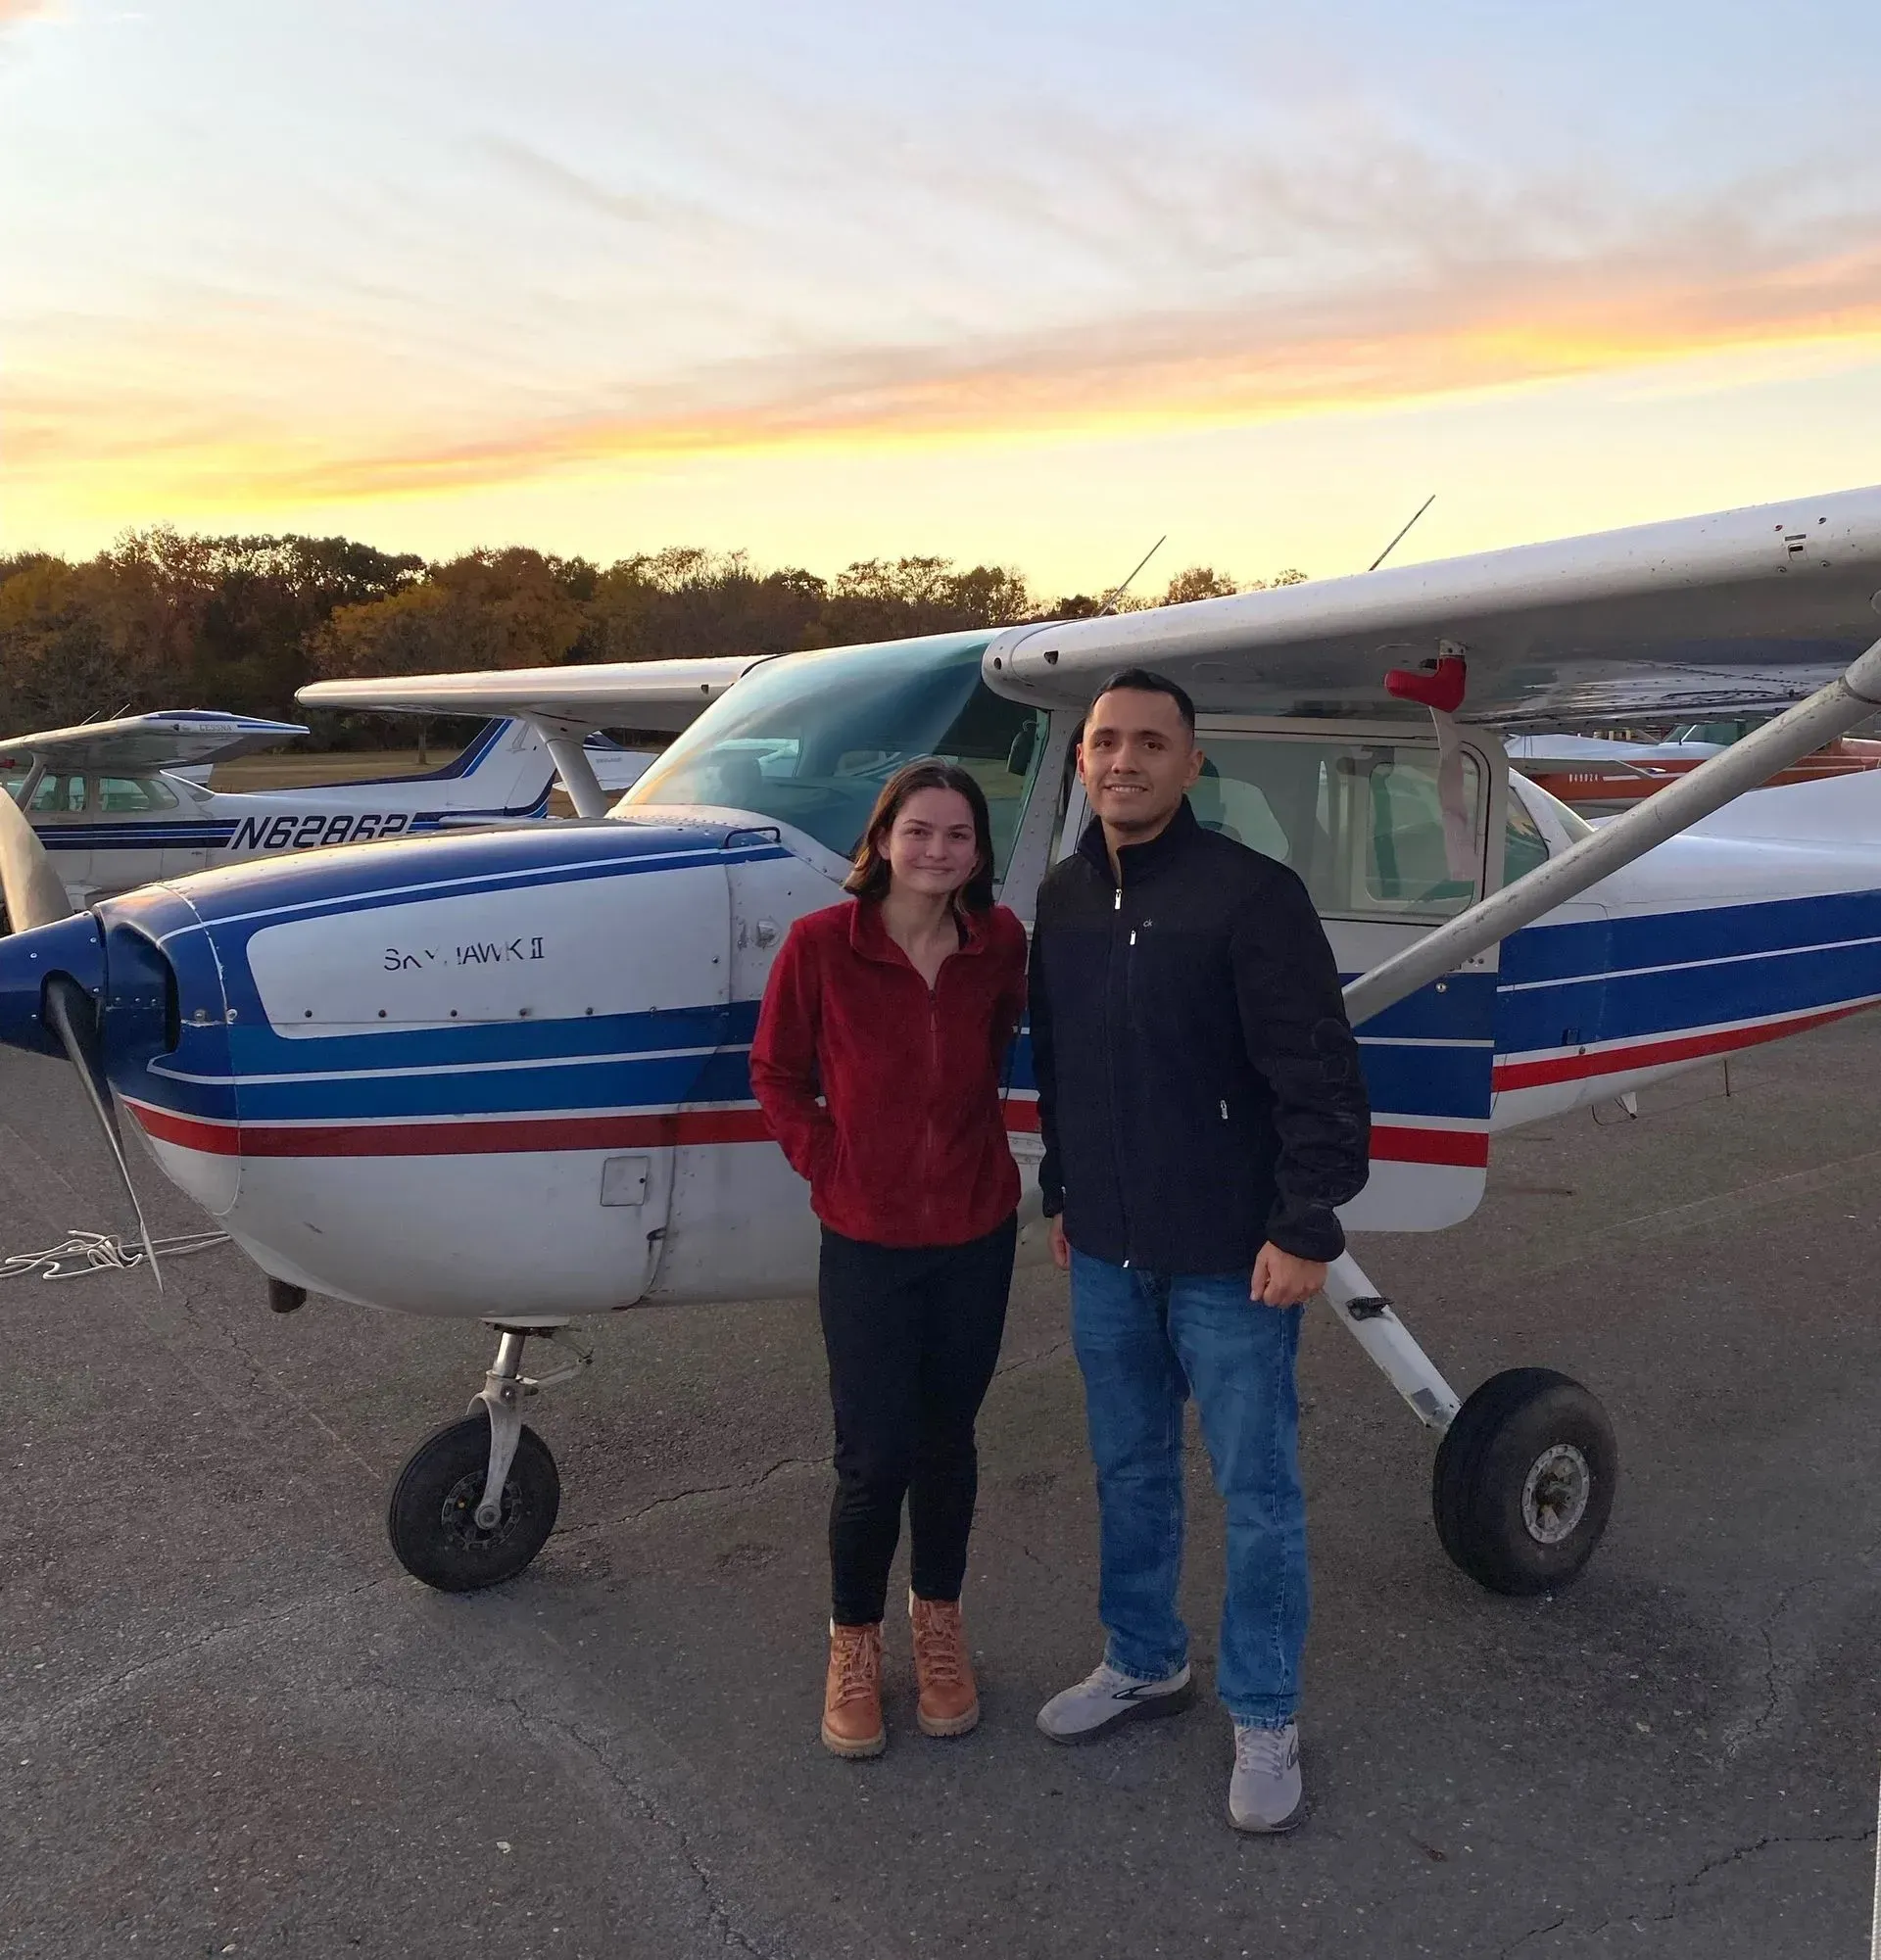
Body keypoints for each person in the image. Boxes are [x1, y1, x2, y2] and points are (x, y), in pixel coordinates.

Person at [1027, 668, 1372, 1833]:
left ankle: (1265, 1712)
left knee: (1257, 1494)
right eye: (1103, 743)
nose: (1122, 761)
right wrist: (1065, 1193)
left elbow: (1319, 1076)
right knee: (1129, 1471)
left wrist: (1303, 1223)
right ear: (1081, 761)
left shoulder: (1251, 896)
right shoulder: (1065, 898)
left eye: (1148, 744)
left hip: (1234, 1258)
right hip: (1112, 1252)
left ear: (1190, 762)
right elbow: (1067, 1068)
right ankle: (1143, 1658)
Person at [750, 758, 1029, 1759]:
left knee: (948, 1441)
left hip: (975, 1231)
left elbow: (999, 1049)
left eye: (958, 836)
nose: (938, 850)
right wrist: (828, 1158)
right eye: (919, 832)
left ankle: (939, 1625)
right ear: (881, 840)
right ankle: (854, 1643)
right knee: (872, 1458)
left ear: (977, 854)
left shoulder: (999, 945)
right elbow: (776, 1070)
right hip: (866, 1239)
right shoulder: (822, 946)